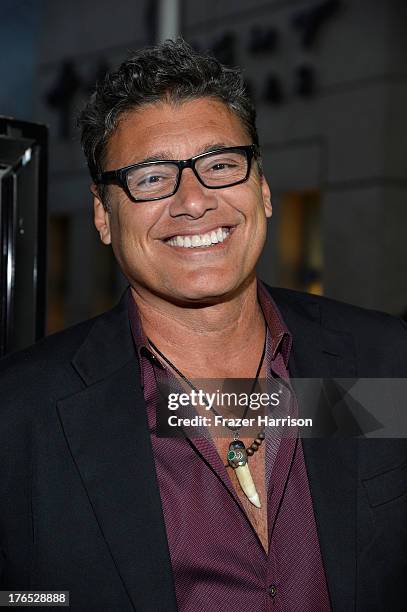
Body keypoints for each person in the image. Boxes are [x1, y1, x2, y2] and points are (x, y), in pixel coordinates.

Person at [0, 38, 406, 612]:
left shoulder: (383, 361)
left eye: (220, 165)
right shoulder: (22, 415)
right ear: (102, 215)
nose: (193, 200)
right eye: (150, 178)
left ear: (261, 189)